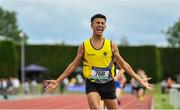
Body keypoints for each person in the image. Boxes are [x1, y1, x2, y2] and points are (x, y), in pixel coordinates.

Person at [45, 14, 154, 109]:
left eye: (102, 23)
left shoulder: (111, 45)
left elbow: (124, 65)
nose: (100, 25)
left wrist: (139, 79)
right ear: (91, 25)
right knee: (96, 108)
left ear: (105, 27)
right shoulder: (84, 46)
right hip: (92, 83)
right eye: (97, 23)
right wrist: (58, 81)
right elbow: (73, 65)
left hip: (108, 83)